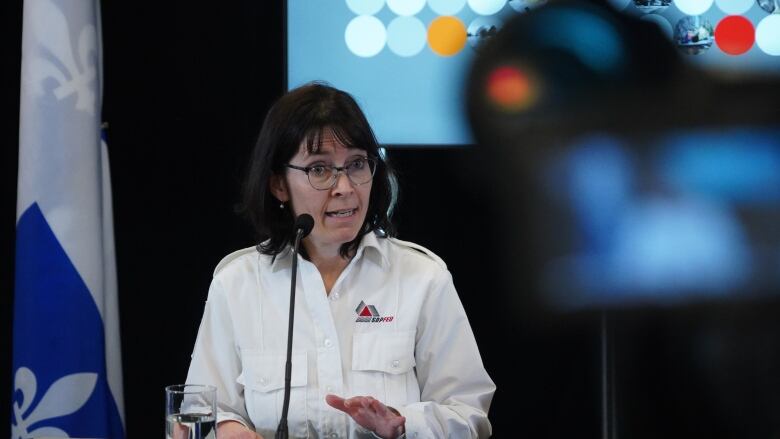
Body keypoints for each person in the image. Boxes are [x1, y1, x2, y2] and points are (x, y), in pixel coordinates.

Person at [186, 82, 495, 438]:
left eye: (356, 165)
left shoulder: (422, 277)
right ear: (279, 185)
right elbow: (202, 410)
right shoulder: (238, 283)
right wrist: (227, 429)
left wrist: (403, 423)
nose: (345, 186)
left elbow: (470, 415)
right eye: (319, 170)